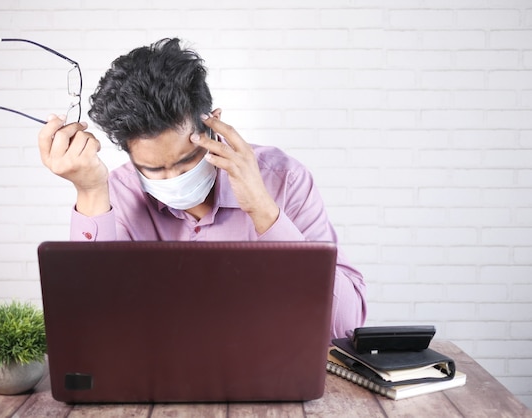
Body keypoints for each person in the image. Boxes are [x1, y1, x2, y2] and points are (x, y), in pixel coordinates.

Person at [37, 38, 366, 339]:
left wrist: (264, 212)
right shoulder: (119, 193)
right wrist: (91, 192)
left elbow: (344, 326)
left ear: (213, 122)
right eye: (153, 168)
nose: (173, 178)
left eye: (187, 160)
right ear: (128, 153)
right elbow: (92, 324)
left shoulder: (283, 178)